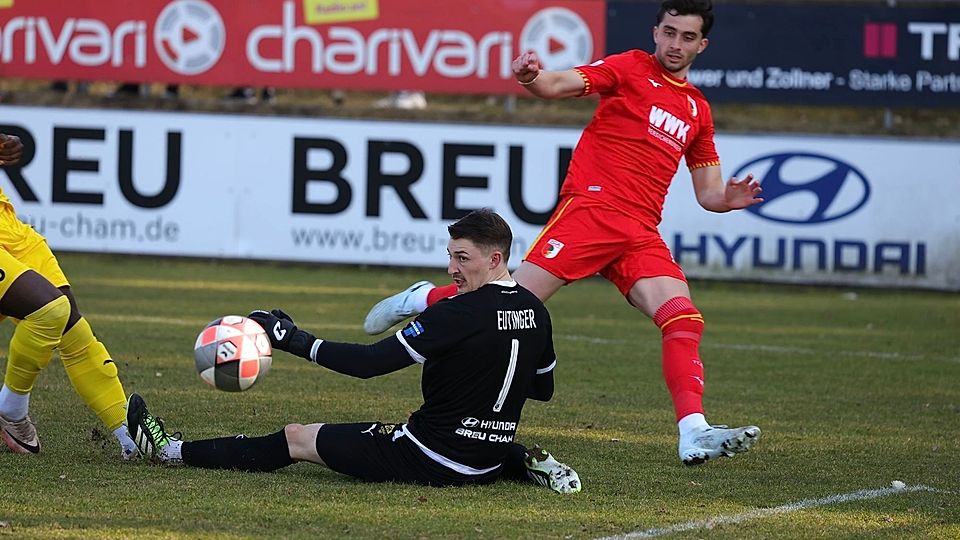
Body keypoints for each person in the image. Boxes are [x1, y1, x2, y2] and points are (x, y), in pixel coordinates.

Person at [363, 0, 763, 466]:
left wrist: (727, 199)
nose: (676, 44)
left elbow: (708, 192)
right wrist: (531, 77)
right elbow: (556, 84)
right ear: (656, 32)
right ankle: (423, 298)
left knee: (683, 318)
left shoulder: (697, 109)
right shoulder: (630, 68)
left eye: (687, 37)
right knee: (507, 304)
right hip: (593, 211)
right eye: (670, 32)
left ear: (702, 44)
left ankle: (693, 432)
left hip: (639, 230)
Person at [126, 209, 581, 493]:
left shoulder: (456, 313)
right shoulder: (536, 311)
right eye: (450, 255)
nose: (451, 268)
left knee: (296, 437)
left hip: (431, 456)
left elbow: (369, 364)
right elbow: (542, 389)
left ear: (495, 259)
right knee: (481, 440)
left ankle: (170, 451)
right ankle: (525, 461)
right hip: (489, 456)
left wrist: (292, 338)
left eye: (462, 258)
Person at [0, 133, 137, 458]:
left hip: (8, 224)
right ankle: (11, 408)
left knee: (71, 327)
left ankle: (129, 436)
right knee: (49, 310)